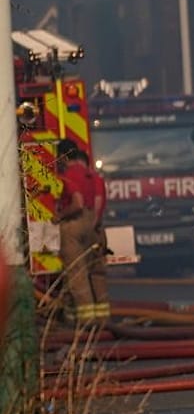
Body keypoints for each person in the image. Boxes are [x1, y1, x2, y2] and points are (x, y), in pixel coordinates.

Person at [54, 139, 109, 325]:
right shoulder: (93, 176)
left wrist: (59, 216)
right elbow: (98, 202)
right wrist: (93, 225)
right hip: (93, 226)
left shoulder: (69, 175)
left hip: (74, 225)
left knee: (77, 273)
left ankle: (86, 321)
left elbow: (77, 203)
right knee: (96, 272)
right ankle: (102, 319)